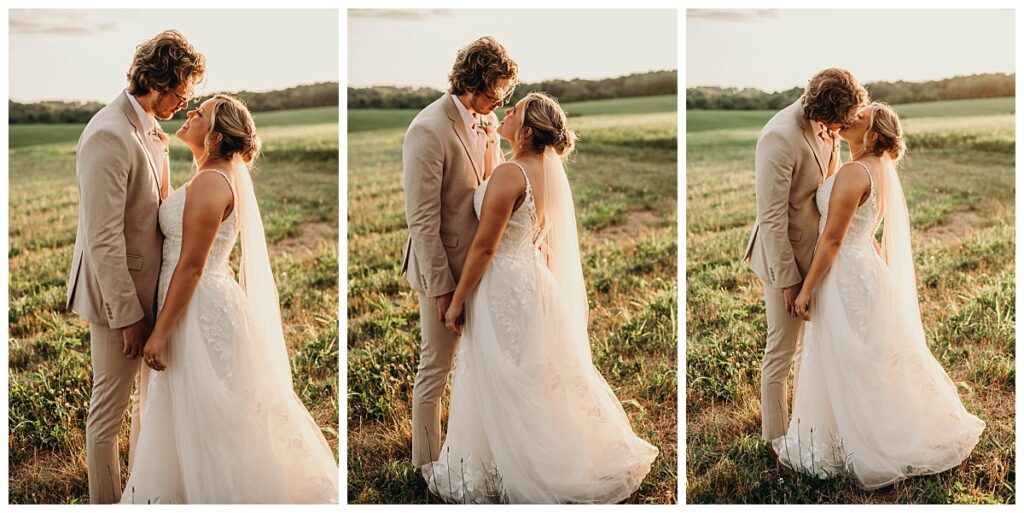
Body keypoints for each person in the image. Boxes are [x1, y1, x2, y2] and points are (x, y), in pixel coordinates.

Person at [424, 92, 658, 503]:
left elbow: (484, 248)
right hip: (530, 280)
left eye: (512, 111)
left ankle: (518, 468)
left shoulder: (511, 174)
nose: (504, 113)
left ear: (527, 130)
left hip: (501, 286)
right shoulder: (544, 173)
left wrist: (458, 300)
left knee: (504, 377)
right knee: (531, 376)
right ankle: (529, 455)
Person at [120, 95, 339, 503]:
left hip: (196, 309)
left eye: (199, 113)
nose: (189, 113)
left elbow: (191, 267)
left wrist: (160, 333)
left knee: (206, 414)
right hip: (195, 302)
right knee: (192, 412)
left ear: (217, 136)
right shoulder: (211, 176)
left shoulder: (211, 182)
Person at [775, 102, 985, 488]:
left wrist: (806, 289)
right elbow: (864, 230)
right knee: (867, 355)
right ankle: (865, 428)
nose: (852, 117)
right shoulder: (877, 172)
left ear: (872, 135)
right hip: (865, 271)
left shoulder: (856, 171)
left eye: (861, 117)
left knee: (850, 356)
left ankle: (863, 440)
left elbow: (834, 239)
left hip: (845, 276)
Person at [66, 29, 205, 504]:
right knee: (107, 414)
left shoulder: (148, 126)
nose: (185, 104)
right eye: (183, 93)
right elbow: (102, 239)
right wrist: (127, 315)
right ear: (159, 81)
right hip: (115, 300)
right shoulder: (108, 134)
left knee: (147, 406)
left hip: (151, 290)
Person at [402, 36, 516, 469]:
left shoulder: (485, 124)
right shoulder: (428, 130)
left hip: (483, 268)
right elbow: (423, 223)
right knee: (435, 369)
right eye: (494, 93)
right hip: (444, 271)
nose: (499, 103)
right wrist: (444, 291)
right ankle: (424, 464)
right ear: (473, 82)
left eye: (504, 95)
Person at [743, 68, 867, 444]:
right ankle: (775, 441)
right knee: (781, 350)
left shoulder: (828, 126)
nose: (841, 128)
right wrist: (789, 280)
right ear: (823, 112)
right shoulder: (779, 138)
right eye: (838, 122)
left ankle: (810, 424)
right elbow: (772, 217)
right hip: (786, 257)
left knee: (813, 346)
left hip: (817, 254)